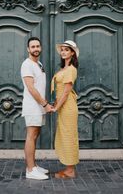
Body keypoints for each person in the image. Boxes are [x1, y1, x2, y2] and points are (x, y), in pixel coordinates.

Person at [21, 37, 53, 180]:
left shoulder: (38, 64)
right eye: (32, 46)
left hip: (38, 106)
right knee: (31, 136)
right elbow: (31, 88)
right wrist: (45, 104)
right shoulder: (26, 64)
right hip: (33, 106)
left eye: (37, 46)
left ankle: (33, 165)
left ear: (41, 48)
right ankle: (30, 170)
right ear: (28, 49)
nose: (35, 49)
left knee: (35, 136)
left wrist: (43, 104)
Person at [51, 40, 79, 178]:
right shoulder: (64, 69)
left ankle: (70, 170)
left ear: (72, 52)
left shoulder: (71, 69)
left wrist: (56, 108)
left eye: (66, 50)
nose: (63, 52)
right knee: (65, 135)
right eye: (62, 49)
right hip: (63, 106)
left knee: (68, 136)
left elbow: (67, 92)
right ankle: (68, 167)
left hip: (67, 107)